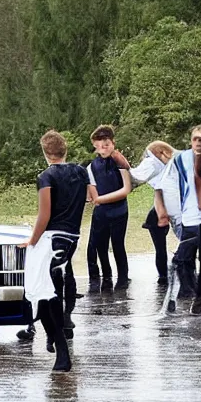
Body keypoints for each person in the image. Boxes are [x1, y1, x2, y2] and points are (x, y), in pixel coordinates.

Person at [21, 130, 89, 372]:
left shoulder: (46, 176)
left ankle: (60, 350)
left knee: (45, 294)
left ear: (44, 153)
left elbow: (45, 214)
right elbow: (93, 197)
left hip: (52, 238)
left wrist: (31, 241)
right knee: (52, 291)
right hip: (72, 237)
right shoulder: (81, 171)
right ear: (65, 150)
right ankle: (54, 340)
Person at [157, 125, 201, 313]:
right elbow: (162, 186)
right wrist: (163, 211)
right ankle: (186, 293)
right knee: (183, 258)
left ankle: (199, 298)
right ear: (191, 140)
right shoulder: (179, 160)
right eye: (197, 139)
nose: (199, 143)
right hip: (190, 217)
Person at [86, 125, 132, 291]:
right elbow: (93, 192)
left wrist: (100, 199)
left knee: (118, 244)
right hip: (101, 213)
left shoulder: (119, 161)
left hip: (119, 210)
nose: (102, 149)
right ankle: (106, 276)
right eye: (98, 146)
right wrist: (97, 199)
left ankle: (123, 277)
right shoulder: (91, 166)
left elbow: (126, 189)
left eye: (106, 145)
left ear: (113, 143)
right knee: (100, 246)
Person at [128, 141, 177, 285]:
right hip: (161, 213)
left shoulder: (154, 164)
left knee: (161, 247)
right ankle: (166, 274)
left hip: (161, 213)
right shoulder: (172, 166)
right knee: (165, 247)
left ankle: (165, 275)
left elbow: (135, 175)